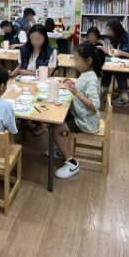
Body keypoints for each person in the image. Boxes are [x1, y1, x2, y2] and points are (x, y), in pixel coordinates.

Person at [50, 42, 105, 179]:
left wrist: (75, 92)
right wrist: (73, 85)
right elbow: (82, 90)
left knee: (55, 129)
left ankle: (71, 162)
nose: (74, 62)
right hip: (81, 115)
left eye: (76, 59)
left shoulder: (91, 79)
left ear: (88, 61)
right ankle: (62, 149)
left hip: (86, 121)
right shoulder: (86, 74)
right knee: (57, 116)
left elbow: (94, 105)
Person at [11, 24, 57, 135]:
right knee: (18, 97)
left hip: (41, 82)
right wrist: (11, 73)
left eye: (39, 38)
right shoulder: (24, 49)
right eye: (32, 38)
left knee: (38, 100)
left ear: (44, 38)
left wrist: (27, 72)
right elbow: (20, 66)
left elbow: (49, 73)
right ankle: (23, 119)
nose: (35, 41)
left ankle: (39, 123)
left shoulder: (50, 51)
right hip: (24, 81)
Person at [100, 19, 129, 106]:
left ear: (117, 30)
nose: (109, 33)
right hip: (119, 62)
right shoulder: (115, 38)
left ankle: (125, 98)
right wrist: (108, 51)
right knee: (106, 69)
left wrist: (122, 53)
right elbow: (116, 52)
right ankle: (105, 92)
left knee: (119, 71)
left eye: (110, 31)